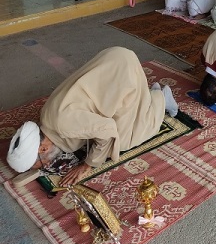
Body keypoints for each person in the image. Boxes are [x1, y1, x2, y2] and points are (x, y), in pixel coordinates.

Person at [6, 47, 178, 184]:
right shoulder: (46, 119)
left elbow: (107, 129)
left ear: (42, 148)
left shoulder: (64, 125)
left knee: (124, 140)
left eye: (41, 165)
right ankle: (147, 96)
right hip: (112, 61)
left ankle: (160, 98)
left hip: (122, 68)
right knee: (102, 135)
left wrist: (88, 165)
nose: (47, 167)